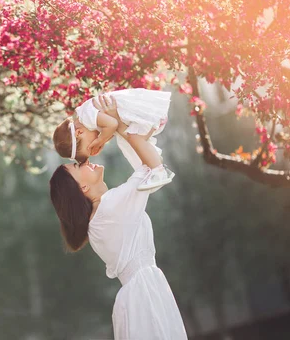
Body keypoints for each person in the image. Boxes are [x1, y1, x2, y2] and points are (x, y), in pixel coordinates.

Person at [49, 123, 188, 340]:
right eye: (79, 166)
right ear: (82, 188)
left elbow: (146, 164)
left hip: (138, 293)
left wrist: (122, 130)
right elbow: (153, 168)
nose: (85, 161)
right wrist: (116, 128)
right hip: (144, 291)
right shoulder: (109, 208)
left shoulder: (101, 215)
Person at [53, 89, 174, 190]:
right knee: (128, 141)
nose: (95, 142)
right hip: (141, 116)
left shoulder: (86, 116)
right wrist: (102, 140)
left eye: (90, 145)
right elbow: (112, 128)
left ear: (79, 132)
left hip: (144, 112)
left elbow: (113, 124)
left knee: (133, 138)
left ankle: (158, 171)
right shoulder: (87, 118)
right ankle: (154, 163)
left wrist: (101, 140)